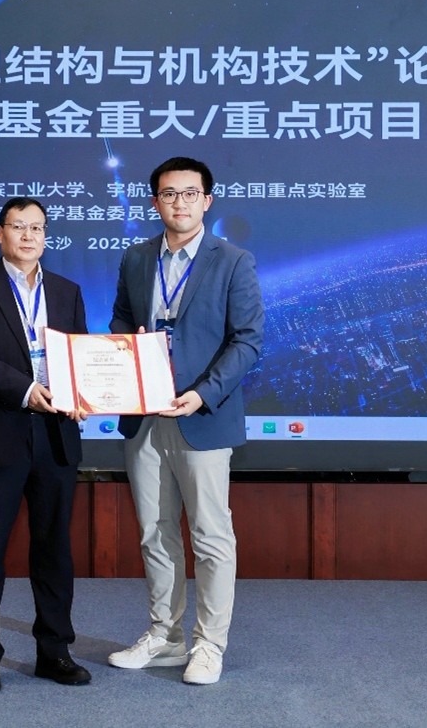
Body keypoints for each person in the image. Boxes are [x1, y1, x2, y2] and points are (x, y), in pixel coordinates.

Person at [107, 157, 264, 685]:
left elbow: (248, 341)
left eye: (190, 193)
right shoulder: (136, 258)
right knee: (154, 532)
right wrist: (122, 358)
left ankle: (209, 645)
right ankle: (166, 636)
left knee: (210, 535)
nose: (180, 203)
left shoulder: (233, 261)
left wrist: (202, 394)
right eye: (169, 194)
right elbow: (122, 320)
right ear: (156, 201)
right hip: (145, 415)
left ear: (207, 200)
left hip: (203, 416)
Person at [0, 197, 93, 694]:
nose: (29, 236)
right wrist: (27, 390)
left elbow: (78, 354)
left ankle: (55, 652)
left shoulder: (67, 291)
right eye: (18, 227)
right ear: (0, 233)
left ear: (46, 236)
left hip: (56, 436)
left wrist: (83, 393)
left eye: (38, 228)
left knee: (54, 551)